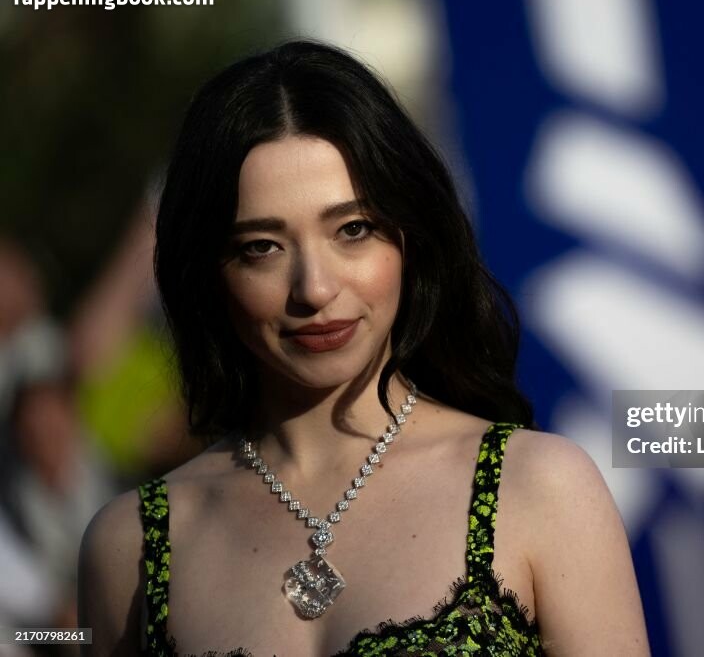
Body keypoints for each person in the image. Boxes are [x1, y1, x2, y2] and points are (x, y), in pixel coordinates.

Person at [78, 40, 649, 656]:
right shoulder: (130, 546)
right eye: (262, 247)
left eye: (353, 230)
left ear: (410, 237)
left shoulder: (540, 487)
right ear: (210, 272)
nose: (315, 289)